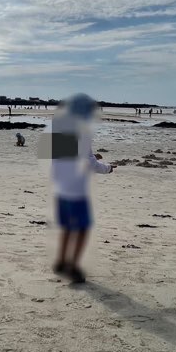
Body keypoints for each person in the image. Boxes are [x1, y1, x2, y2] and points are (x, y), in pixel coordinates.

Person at [50, 93, 113, 284]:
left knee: (67, 227)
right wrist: (108, 168)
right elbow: (90, 163)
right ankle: (73, 267)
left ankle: (61, 261)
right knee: (82, 228)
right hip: (76, 190)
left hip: (61, 188)